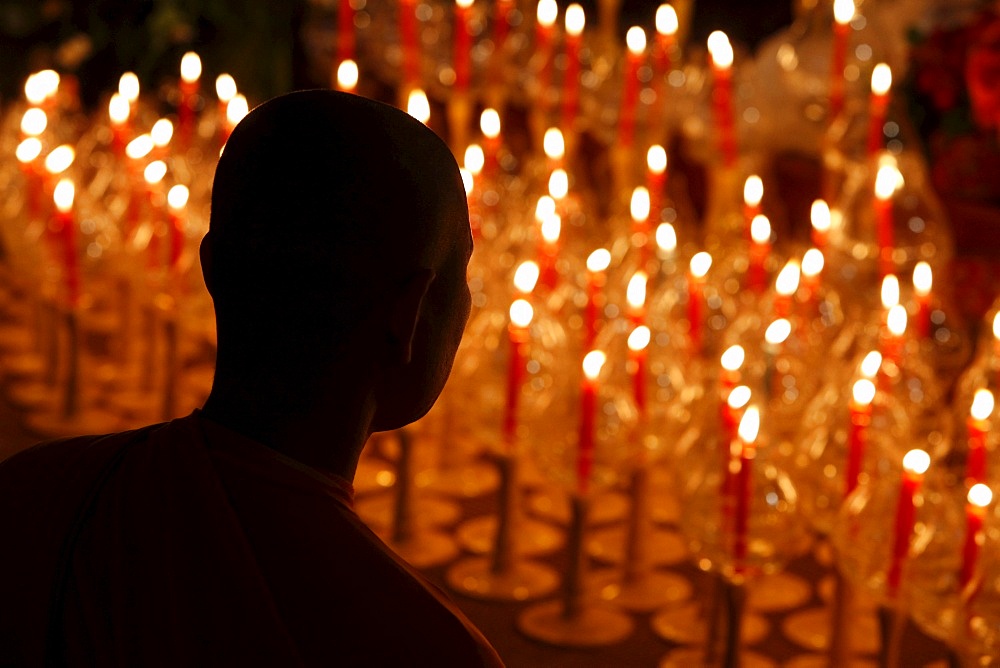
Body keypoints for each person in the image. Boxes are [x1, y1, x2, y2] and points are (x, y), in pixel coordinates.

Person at [0, 89, 503, 666]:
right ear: (407, 317)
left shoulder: (32, 494)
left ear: (211, 267)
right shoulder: (424, 646)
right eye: (462, 274)